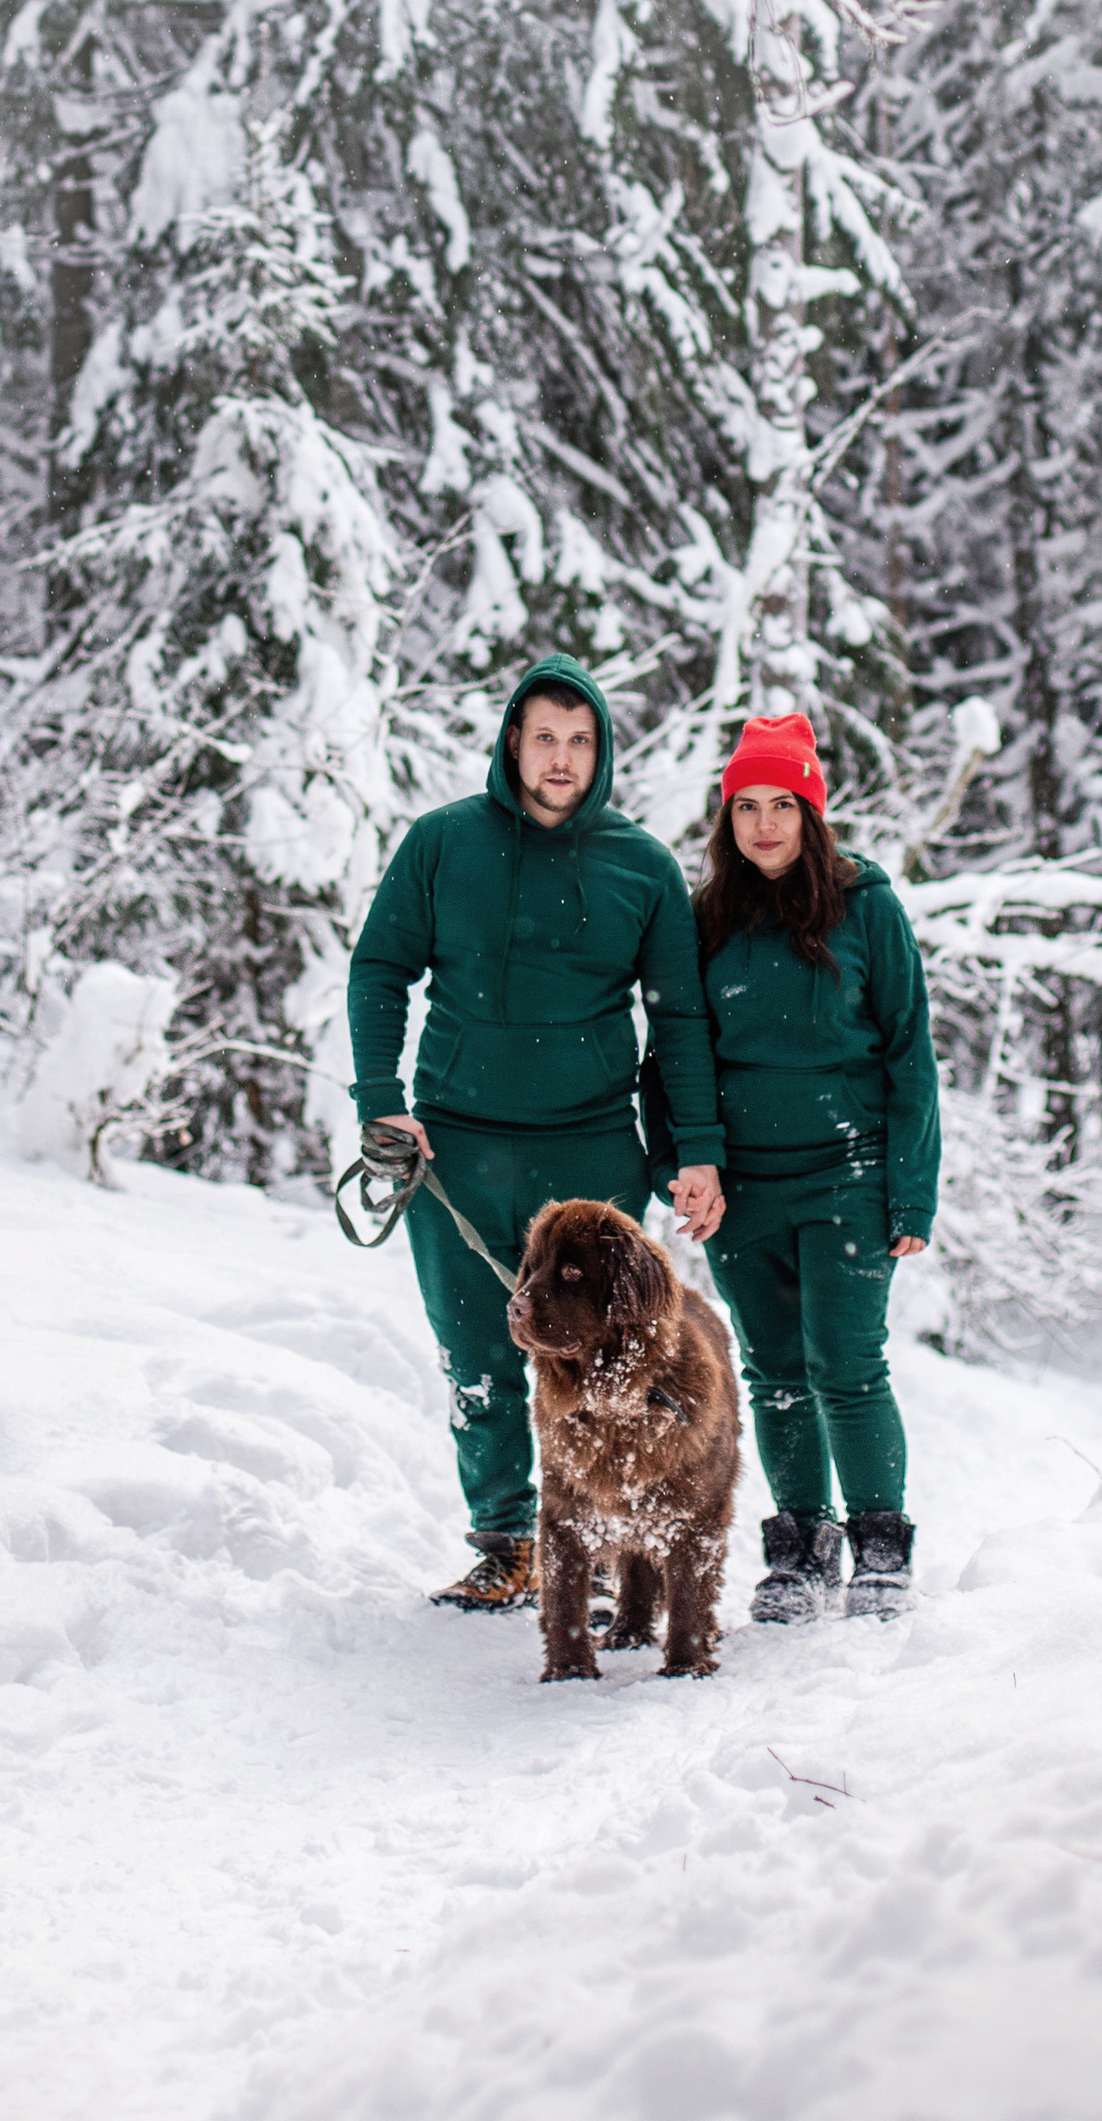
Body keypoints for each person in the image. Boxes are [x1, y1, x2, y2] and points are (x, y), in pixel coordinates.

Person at [347, 655, 728, 1611]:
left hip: (591, 1150)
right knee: (475, 1351)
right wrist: (380, 1096)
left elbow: (678, 1017)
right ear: (514, 741)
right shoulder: (442, 844)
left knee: (601, 1356)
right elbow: (379, 967)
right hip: (453, 1153)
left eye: (581, 741)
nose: (561, 759)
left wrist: (694, 1148)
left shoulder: (640, 865)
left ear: (602, 753)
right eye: (545, 737)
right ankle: (507, 1542)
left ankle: (598, 1548)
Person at [693, 710, 940, 1626]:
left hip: (848, 1169)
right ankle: (800, 1548)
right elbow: (678, 1052)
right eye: (745, 806)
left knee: (846, 1362)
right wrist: (692, 1161)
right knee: (773, 1370)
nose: (763, 824)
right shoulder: (707, 919)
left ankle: (881, 1544)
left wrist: (911, 1189)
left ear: (810, 811)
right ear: (728, 819)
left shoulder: (866, 906)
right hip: (743, 1187)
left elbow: (911, 1053)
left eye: (782, 804)